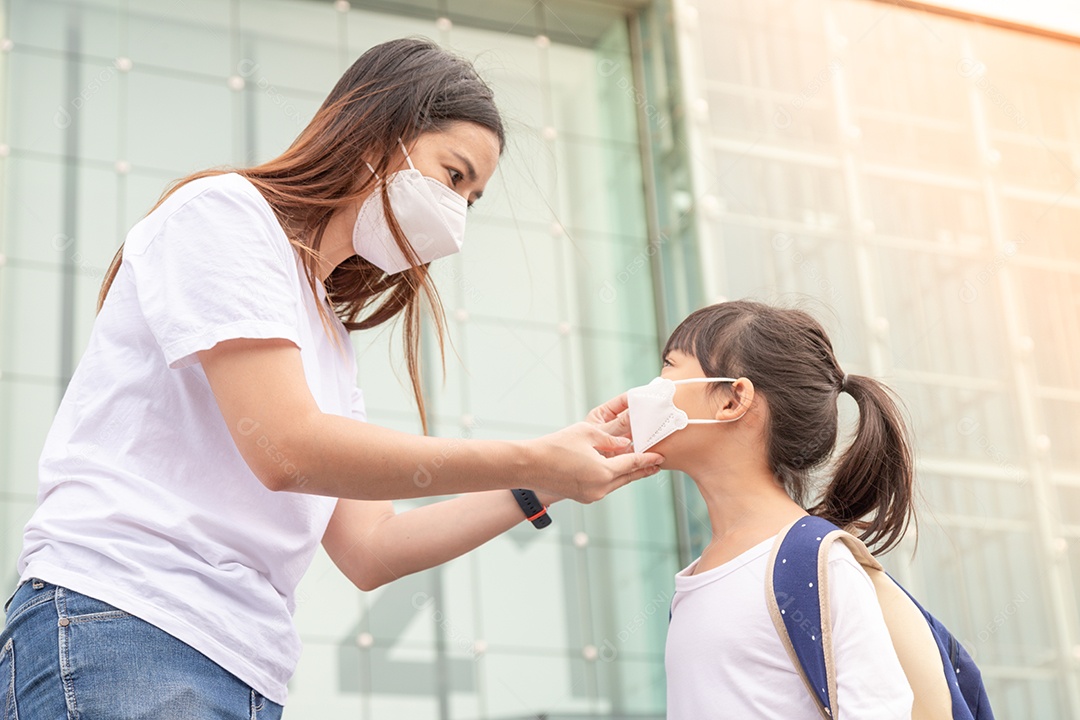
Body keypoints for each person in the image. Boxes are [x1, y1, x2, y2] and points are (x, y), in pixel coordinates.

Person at [0, 38, 663, 718]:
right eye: (453, 175)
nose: (457, 216)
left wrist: (547, 481)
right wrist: (530, 456)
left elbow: (372, 549)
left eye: (472, 199)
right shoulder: (226, 213)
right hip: (129, 621)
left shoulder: (327, 335)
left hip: (241, 667)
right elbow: (287, 449)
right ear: (378, 133)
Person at [631, 300, 915, 718]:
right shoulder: (696, 577)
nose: (653, 387)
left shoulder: (816, 564)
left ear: (733, 400)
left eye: (669, 367)